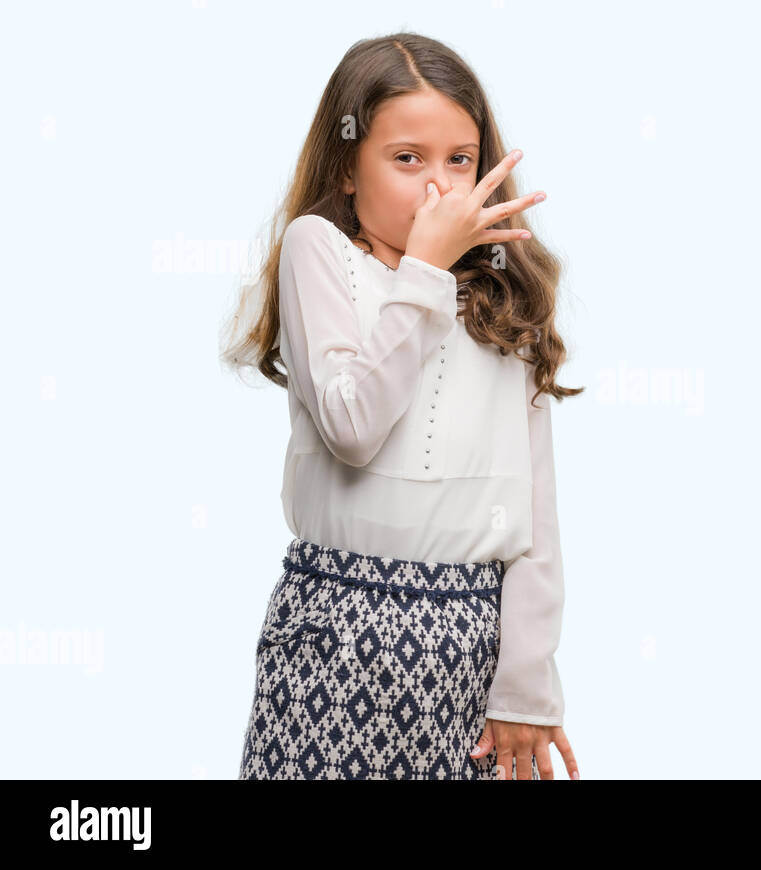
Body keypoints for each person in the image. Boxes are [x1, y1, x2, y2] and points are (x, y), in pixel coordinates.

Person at [218, 32, 580, 780]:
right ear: (348, 167)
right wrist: (424, 270)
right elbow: (352, 427)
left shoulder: (506, 295)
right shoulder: (319, 251)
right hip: (332, 639)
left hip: (470, 652)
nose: (441, 189)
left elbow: (534, 512)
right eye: (407, 158)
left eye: (461, 160)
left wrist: (526, 684)